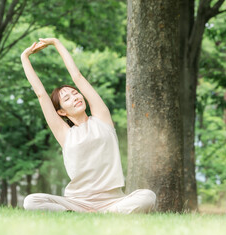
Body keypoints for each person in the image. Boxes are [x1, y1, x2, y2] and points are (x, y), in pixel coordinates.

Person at [21, 38, 156, 213]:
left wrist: (57, 43)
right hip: (77, 202)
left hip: (113, 201)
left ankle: (100, 214)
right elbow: (41, 94)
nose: (75, 97)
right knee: (31, 201)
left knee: (147, 196)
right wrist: (25, 57)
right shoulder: (65, 133)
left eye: (75, 93)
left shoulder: (102, 118)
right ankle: (79, 214)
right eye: (67, 98)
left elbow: (78, 77)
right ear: (61, 112)